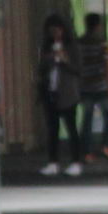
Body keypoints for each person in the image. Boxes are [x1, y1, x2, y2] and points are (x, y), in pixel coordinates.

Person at [36, 14, 81, 177]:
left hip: (68, 93)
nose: (54, 34)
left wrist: (64, 59)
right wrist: (50, 59)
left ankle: (76, 162)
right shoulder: (46, 47)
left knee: (71, 128)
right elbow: (40, 68)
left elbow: (77, 68)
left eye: (57, 30)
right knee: (52, 129)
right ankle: (53, 162)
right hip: (50, 92)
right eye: (51, 31)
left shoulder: (71, 46)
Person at [76, 12, 108, 163]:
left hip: (85, 87)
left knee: (87, 119)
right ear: (98, 25)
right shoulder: (101, 43)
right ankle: (107, 146)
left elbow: (76, 65)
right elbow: (106, 65)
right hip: (101, 87)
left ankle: (86, 152)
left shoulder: (79, 43)